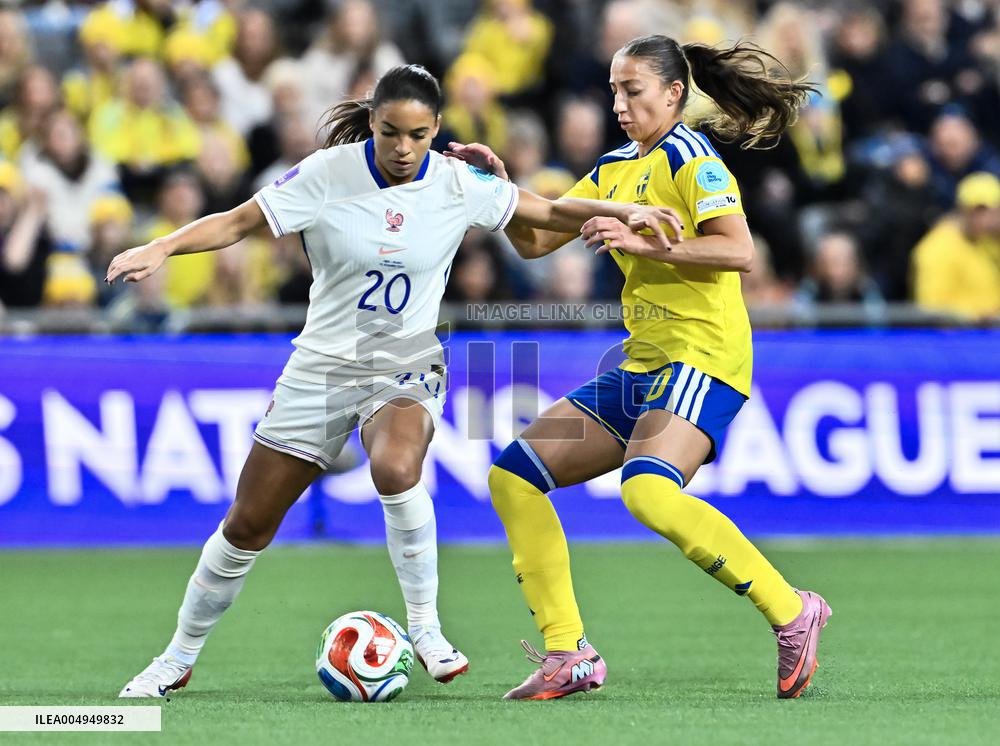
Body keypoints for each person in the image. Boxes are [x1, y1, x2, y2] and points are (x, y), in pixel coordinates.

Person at [107, 64, 678, 699]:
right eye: (390, 133)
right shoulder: (327, 174)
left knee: (397, 467)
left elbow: (547, 210)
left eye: (418, 135)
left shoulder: (459, 182)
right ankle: (176, 658)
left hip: (403, 361)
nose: (404, 149)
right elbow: (238, 221)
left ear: (436, 130)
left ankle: (426, 630)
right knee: (247, 524)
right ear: (372, 125)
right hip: (321, 367)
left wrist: (626, 210)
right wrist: (163, 246)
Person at [451, 34, 831, 701]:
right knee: (513, 477)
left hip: (704, 355)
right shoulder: (615, 168)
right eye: (614, 91)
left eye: (634, 91)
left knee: (647, 490)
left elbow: (740, 252)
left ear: (673, 93)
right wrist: (498, 190)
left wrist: (647, 239)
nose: (620, 105)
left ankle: (792, 611)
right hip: (644, 363)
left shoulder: (693, 159)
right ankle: (567, 653)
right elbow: (538, 237)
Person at [911, 171, 1000, 320]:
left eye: (995, 210)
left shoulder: (987, 242)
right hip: (958, 338)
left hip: (989, 336)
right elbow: (932, 309)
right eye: (980, 210)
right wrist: (980, 315)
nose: (991, 218)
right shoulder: (937, 248)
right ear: (964, 210)